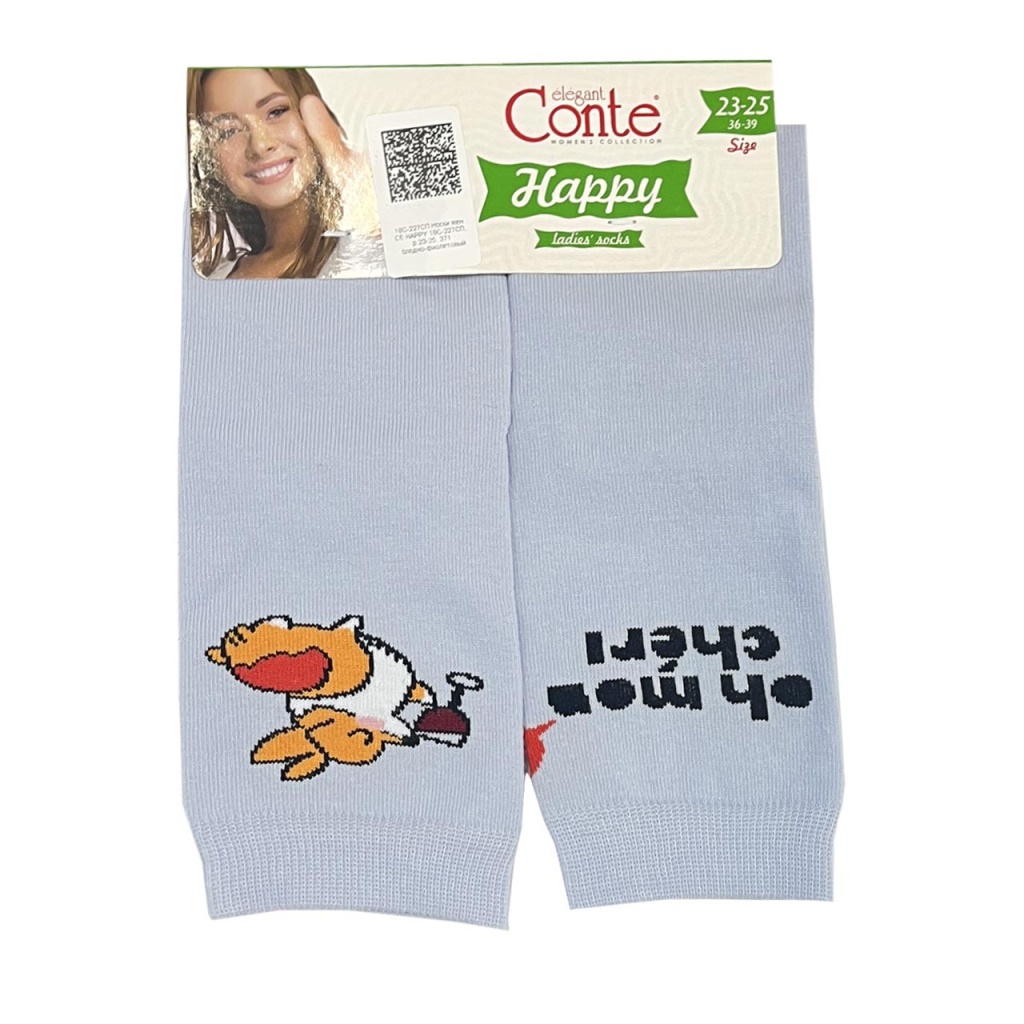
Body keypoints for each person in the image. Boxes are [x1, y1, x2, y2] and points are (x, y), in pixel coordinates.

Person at [188, 68, 384, 279]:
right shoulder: (213, 279)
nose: (260, 145)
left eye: (276, 112)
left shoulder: (375, 249)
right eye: (228, 131)